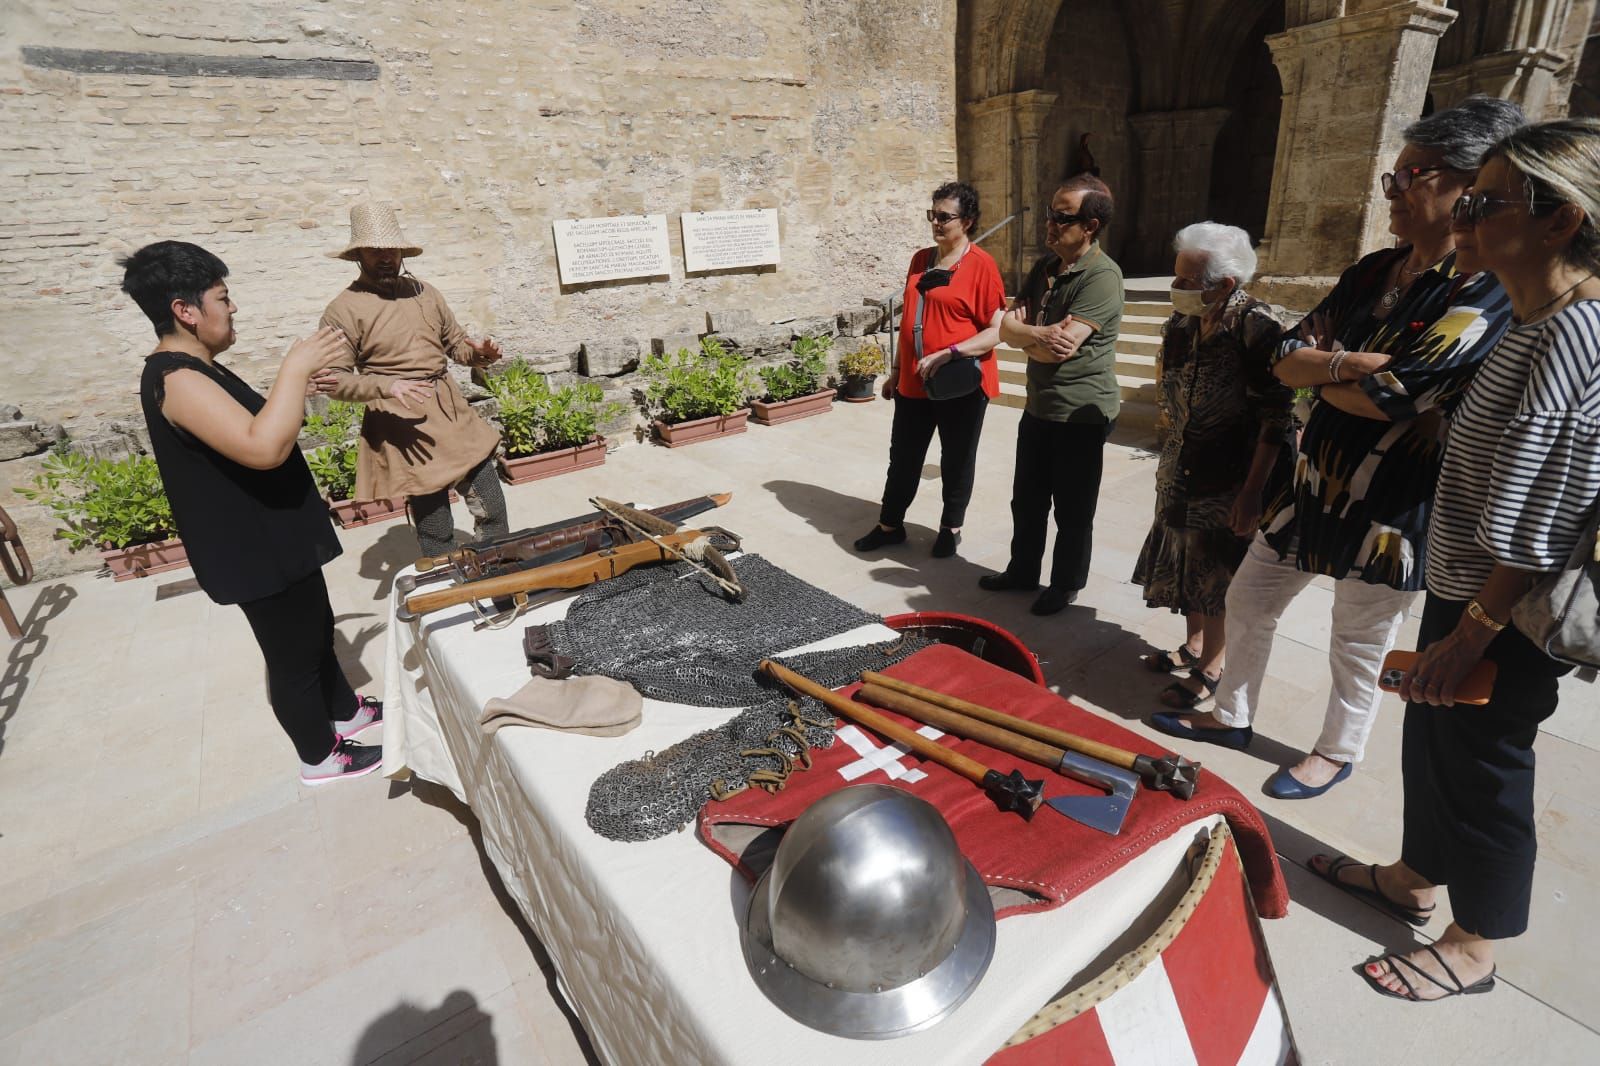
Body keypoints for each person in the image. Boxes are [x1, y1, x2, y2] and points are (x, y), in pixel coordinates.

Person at [1149, 96, 1526, 798]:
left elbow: (1401, 394)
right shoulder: (1371, 273)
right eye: (1394, 175)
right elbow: (1286, 356)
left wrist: (1327, 368)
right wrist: (1344, 368)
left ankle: (1336, 750)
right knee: (1251, 599)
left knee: (1358, 641)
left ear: (1467, 183)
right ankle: (1230, 714)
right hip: (1310, 487)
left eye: (1411, 174)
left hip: (1389, 505)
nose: (1394, 191)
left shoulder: (1484, 291)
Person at [1311, 117, 1600, 1003]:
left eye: (1487, 199)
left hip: (1502, 610)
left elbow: (1539, 524)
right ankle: (1412, 879)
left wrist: (1469, 632)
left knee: (1485, 764)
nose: (1464, 214)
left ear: (1560, 221)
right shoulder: (1531, 318)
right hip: (1468, 591)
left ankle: (1476, 946)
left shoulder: (1572, 334)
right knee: (1436, 742)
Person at [125, 241, 384, 785]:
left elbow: (261, 430)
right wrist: (293, 369)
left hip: (275, 535)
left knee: (315, 628)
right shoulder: (176, 378)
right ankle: (318, 756)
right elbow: (262, 448)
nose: (233, 307)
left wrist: (294, 388)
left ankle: (344, 710)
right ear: (185, 310)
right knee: (290, 657)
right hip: (250, 548)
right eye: (223, 297)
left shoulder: (201, 368)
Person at [1133, 223, 1291, 707]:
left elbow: (1277, 415)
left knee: (1219, 570)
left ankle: (1214, 667)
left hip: (1230, 477)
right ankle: (1195, 645)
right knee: (1185, 559)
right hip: (1181, 466)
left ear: (1225, 284)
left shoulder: (1259, 328)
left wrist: (1251, 492)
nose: (1175, 288)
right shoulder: (1181, 324)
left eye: (1186, 281)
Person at [318, 202, 510, 557]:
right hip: (404, 425)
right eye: (375, 250)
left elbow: (456, 345)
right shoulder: (343, 309)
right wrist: (386, 386)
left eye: (391, 248)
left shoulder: (425, 292)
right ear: (358, 253)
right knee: (436, 529)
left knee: (493, 506)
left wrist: (482, 354)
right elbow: (333, 381)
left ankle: (499, 572)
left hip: (452, 412)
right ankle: (446, 593)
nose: (386, 257)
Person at [982, 174, 1123, 615]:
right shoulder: (1045, 267)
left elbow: (1057, 349)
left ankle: (1065, 584)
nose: (1050, 223)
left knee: (1073, 510)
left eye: (1062, 217)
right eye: (1050, 213)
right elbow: (1004, 328)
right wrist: (1028, 333)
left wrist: (1023, 333)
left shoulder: (1102, 277)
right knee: (1027, 499)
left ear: (1091, 225)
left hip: (1081, 412)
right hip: (1039, 407)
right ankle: (1023, 571)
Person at [854, 181, 1007, 559]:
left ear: (967, 221)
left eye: (945, 217)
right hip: (914, 380)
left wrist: (951, 352)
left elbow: (997, 328)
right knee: (903, 456)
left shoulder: (981, 266)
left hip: (961, 382)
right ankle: (890, 525)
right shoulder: (920, 260)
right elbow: (911, 318)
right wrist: (895, 370)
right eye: (932, 215)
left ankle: (950, 527)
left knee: (957, 457)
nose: (936, 223)